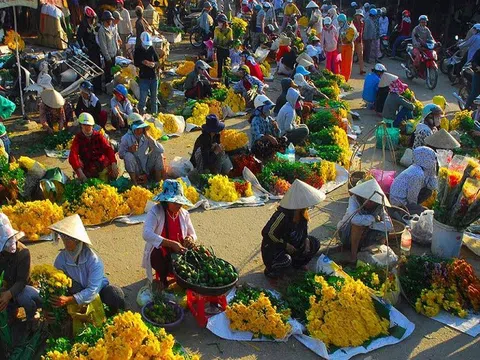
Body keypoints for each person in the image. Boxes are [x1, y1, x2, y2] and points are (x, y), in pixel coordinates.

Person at [50, 215, 125, 317]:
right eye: (64, 239)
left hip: (98, 292)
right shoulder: (61, 259)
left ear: (77, 240)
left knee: (114, 294)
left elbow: (92, 291)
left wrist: (69, 300)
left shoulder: (94, 261)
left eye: (68, 240)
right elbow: (55, 280)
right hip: (75, 291)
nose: (65, 243)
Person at [261, 179, 323, 278]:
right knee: (285, 261)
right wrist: (285, 245)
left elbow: (303, 231)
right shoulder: (281, 215)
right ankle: (272, 271)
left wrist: (306, 240)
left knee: (314, 243)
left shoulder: (303, 214)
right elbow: (267, 233)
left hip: (294, 247)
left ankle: (297, 265)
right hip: (276, 250)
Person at [142, 179, 197, 285]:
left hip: (179, 251)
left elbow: (193, 234)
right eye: (175, 202)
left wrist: (190, 239)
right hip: (161, 252)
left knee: (194, 258)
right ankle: (163, 279)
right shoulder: (155, 212)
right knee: (158, 257)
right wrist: (171, 244)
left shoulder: (184, 214)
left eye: (180, 202)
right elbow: (146, 234)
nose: (179, 205)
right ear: (166, 200)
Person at [0, 213, 40, 330]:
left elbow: (21, 282)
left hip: (24, 288)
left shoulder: (23, 252)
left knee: (24, 296)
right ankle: (11, 312)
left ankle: (32, 314)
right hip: (6, 287)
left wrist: (8, 295)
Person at [337, 179, 393, 263]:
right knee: (358, 225)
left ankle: (378, 254)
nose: (369, 203)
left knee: (384, 230)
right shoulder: (354, 200)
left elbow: (389, 226)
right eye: (367, 199)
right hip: (346, 234)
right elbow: (354, 219)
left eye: (372, 201)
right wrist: (372, 218)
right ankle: (353, 257)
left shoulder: (379, 206)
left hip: (366, 236)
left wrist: (371, 225)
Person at [69, 113, 119, 182]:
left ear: (92, 126)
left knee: (110, 170)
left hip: (101, 163)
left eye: (89, 125)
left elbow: (108, 149)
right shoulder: (78, 138)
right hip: (88, 165)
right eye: (84, 125)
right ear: (81, 126)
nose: (87, 127)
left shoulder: (98, 135)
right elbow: (73, 155)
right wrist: (79, 171)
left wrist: (113, 163)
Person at [119, 113, 165, 185]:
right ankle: (135, 183)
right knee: (128, 156)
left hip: (146, 165)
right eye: (137, 128)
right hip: (136, 168)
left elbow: (161, 150)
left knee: (158, 153)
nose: (139, 131)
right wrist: (129, 150)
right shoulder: (125, 138)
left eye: (141, 128)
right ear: (131, 128)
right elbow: (121, 155)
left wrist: (148, 137)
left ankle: (158, 182)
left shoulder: (146, 136)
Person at [390, 146, 438, 215]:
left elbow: (432, 186)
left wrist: (433, 170)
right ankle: (400, 212)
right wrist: (416, 208)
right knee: (425, 212)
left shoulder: (417, 167)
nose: (434, 162)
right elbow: (412, 197)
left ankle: (407, 210)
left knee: (428, 191)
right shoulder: (417, 174)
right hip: (398, 202)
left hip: (403, 197)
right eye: (432, 159)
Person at [134, 32, 160, 115]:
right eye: (145, 45)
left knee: (154, 99)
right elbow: (136, 63)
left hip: (153, 77)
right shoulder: (138, 50)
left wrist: (154, 64)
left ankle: (154, 115)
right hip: (143, 78)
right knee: (142, 99)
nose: (147, 47)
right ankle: (141, 115)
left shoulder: (151, 49)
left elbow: (158, 61)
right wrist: (143, 62)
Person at [77, 6, 102, 93]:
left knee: (98, 68)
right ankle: (94, 88)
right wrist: (83, 46)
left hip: (96, 49)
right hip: (89, 50)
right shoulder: (83, 25)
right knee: (92, 69)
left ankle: (99, 88)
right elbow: (79, 37)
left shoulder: (94, 24)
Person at [98, 11, 117, 86]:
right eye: (110, 20)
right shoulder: (102, 30)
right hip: (108, 57)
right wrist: (107, 57)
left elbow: (113, 41)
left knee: (113, 73)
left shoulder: (110, 28)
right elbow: (103, 46)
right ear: (106, 20)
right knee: (108, 74)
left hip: (113, 54)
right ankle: (108, 89)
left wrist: (116, 50)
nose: (111, 21)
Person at [337, 13, 356, 82]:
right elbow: (340, 38)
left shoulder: (350, 28)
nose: (340, 23)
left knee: (347, 63)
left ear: (344, 21)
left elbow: (348, 39)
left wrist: (344, 40)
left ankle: (346, 79)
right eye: (339, 22)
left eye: (341, 22)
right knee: (342, 62)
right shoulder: (340, 29)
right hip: (343, 46)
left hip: (349, 47)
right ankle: (342, 77)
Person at [214, 14, 233, 79]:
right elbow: (215, 40)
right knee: (219, 65)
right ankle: (219, 78)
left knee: (226, 65)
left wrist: (230, 43)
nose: (219, 23)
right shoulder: (216, 29)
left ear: (224, 22)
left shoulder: (229, 30)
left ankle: (226, 79)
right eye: (218, 22)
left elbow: (230, 40)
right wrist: (214, 47)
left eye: (220, 22)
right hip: (219, 49)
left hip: (226, 50)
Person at [353, 9, 366, 75]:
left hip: (359, 41)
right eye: (358, 15)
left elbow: (362, 33)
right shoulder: (353, 23)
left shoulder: (362, 23)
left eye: (360, 16)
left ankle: (361, 69)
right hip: (353, 41)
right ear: (356, 16)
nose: (359, 17)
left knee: (361, 55)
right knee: (351, 56)